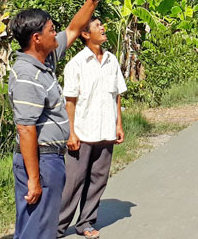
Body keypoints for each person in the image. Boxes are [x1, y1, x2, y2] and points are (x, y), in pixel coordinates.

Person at [8, 0, 115, 239]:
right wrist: (34, 178)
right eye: (51, 31)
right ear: (36, 38)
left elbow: (75, 27)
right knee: (36, 228)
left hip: (51, 160)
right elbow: (25, 130)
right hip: (40, 161)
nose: (56, 35)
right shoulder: (26, 76)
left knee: (43, 227)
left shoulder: (46, 61)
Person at [56, 18, 127, 238]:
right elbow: (70, 101)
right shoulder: (76, 64)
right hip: (83, 133)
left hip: (106, 130)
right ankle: (56, 227)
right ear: (85, 34)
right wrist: (71, 132)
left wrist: (118, 124)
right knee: (73, 182)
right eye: (97, 26)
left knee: (98, 179)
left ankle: (86, 222)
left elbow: (116, 96)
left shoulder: (111, 60)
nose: (103, 28)